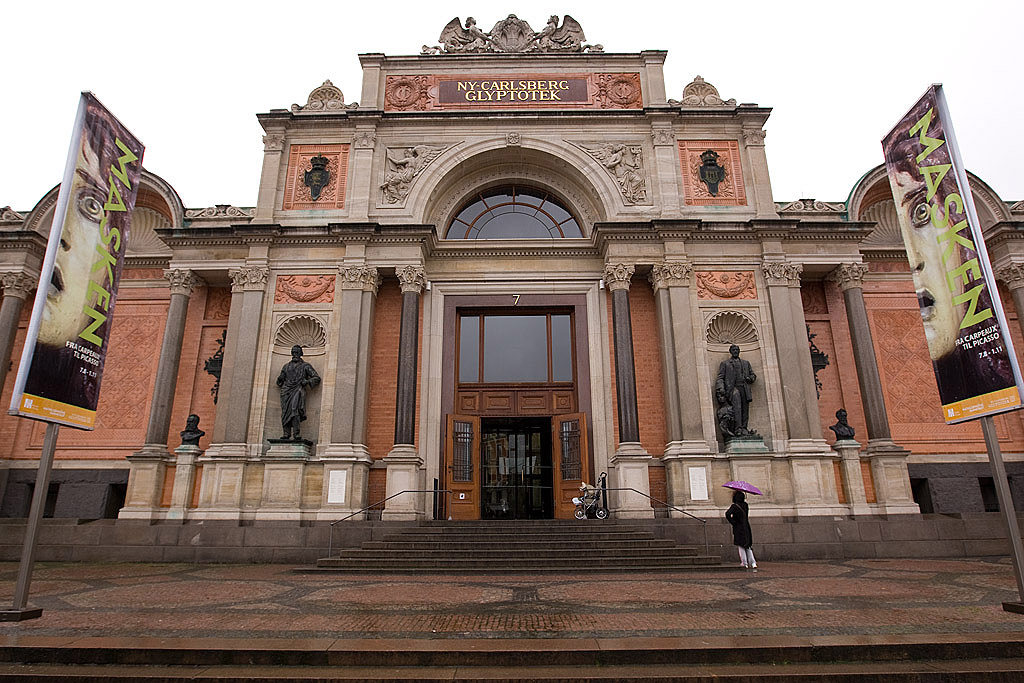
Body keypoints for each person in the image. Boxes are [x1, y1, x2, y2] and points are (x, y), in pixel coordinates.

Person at [276, 345, 321, 440]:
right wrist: (280, 379)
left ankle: (296, 433)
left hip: (298, 390)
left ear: (301, 353)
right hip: (286, 391)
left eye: (297, 352)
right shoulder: (286, 366)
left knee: (294, 410)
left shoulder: (306, 366)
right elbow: (279, 382)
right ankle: (286, 433)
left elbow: (316, 377)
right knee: (285, 412)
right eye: (293, 352)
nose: (295, 354)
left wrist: (307, 381)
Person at [715, 344, 757, 436]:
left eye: (737, 350)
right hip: (733, 389)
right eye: (733, 350)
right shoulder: (725, 364)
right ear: (730, 351)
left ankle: (744, 428)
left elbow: (752, 375)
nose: (735, 351)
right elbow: (720, 377)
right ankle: (738, 429)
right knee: (737, 408)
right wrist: (721, 388)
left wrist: (750, 378)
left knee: (745, 409)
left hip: (744, 388)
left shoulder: (746, 363)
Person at [726, 489, 756, 571]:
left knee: (741, 545)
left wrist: (733, 522)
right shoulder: (745, 505)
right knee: (748, 545)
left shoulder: (734, 506)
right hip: (746, 526)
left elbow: (727, 514)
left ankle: (744, 563)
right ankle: (753, 562)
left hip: (738, 527)